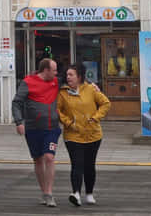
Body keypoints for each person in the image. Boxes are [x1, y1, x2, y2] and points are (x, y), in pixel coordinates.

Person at [57, 64, 111, 207]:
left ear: (79, 76)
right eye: (67, 75)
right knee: (77, 164)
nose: (68, 77)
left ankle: (89, 193)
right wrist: (69, 123)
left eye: (71, 75)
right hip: (73, 135)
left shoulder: (91, 89)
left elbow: (105, 103)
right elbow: (58, 111)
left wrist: (95, 118)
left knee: (89, 165)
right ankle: (75, 193)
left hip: (93, 134)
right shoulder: (62, 93)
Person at [12, 58, 61, 207]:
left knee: (49, 157)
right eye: (54, 70)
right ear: (46, 70)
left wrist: (92, 86)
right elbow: (16, 103)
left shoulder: (56, 82)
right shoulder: (28, 82)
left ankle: (49, 193)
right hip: (33, 128)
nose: (56, 73)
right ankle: (44, 192)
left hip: (52, 128)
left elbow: (75, 82)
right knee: (38, 160)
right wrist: (19, 122)